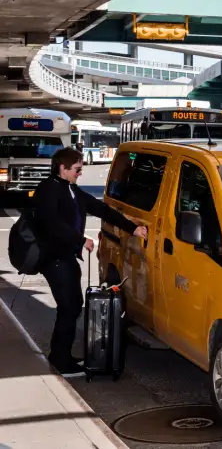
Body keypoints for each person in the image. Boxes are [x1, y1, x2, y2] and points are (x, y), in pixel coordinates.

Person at [33, 148, 147, 375]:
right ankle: (60, 359)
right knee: (70, 307)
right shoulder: (48, 189)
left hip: (66, 257)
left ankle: (60, 355)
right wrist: (80, 240)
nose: (80, 173)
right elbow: (52, 223)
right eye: (77, 169)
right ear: (62, 168)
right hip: (54, 258)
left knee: (72, 306)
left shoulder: (71, 189)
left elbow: (101, 209)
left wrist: (132, 228)